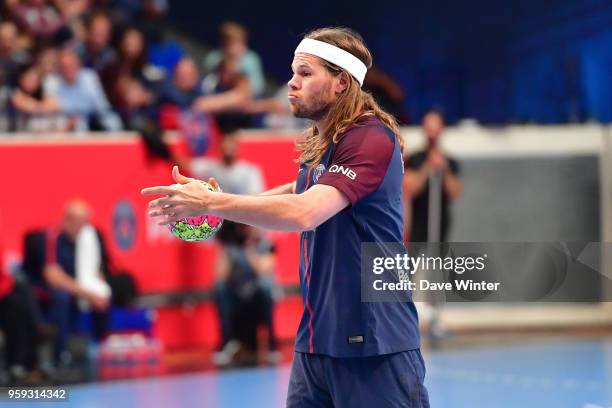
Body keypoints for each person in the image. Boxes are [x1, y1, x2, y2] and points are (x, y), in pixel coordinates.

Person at [143, 27, 429, 407]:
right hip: (315, 343)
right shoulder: (326, 142)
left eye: (305, 74)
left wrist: (213, 204)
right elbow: (299, 191)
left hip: (374, 345)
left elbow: (306, 212)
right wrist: (218, 202)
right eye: (293, 72)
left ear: (341, 82)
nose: (291, 84)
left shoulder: (370, 138)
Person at [403, 109, 463, 242]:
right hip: (418, 226)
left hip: (441, 226)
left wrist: (445, 170)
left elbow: (455, 192)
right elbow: (409, 188)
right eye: (429, 127)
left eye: (435, 127)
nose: (432, 132)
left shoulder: (450, 161)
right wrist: (427, 167)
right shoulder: (415, 159)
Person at [43, 48, 122, 132]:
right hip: (61, 134)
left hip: (87, 134)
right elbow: (50, 112)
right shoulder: (51, 82)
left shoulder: (90, 78)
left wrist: (118, 131)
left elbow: (103, 108)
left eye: (72, 65)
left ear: (78, 65)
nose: (68, 70)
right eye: (64, 67)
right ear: (59, 68)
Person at [203, 21, 265, 98]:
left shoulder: (251, 59)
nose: (232, 47)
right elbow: (207, 70)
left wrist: (237, 63)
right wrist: (227, 59)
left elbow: (257, 87)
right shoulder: (216, 55)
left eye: (237, 42)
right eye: (229, 42)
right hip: (217, 92)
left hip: (241, 96)